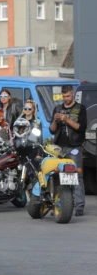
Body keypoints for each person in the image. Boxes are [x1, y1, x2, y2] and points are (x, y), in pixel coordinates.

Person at [50, 84, 87, 216]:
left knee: (76, 177)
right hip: (59, 148)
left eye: (68, 95)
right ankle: (58, 205)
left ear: (73, 94)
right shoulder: (58, 108)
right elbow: (52, 130)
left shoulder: (80, 108)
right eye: (64, 96)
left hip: (75, 147)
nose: (66, 98)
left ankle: (79, 206)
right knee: (56, 176)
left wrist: (67, 119)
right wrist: (55, 120)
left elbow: (81, 127)